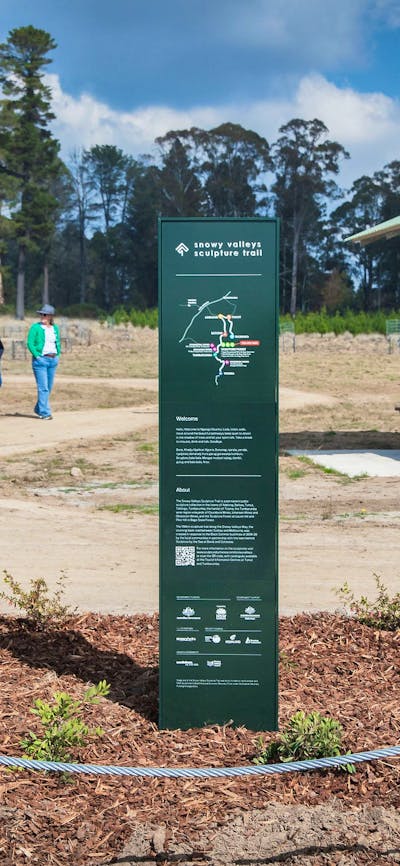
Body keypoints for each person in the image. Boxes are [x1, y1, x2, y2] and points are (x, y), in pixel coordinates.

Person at [26, 304, 61, 420]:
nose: (43, 316)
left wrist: (58, 355)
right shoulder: (35, 327)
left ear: (50, 316)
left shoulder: (55, 328)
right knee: (43, 388)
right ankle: (45, 413)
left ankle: (39, 408)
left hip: (53, 360)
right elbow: (30, 343)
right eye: (41, 314)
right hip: (40, 361)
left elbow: (57, 342)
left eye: (45, 314)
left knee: (49, 387)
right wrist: (37, 356)